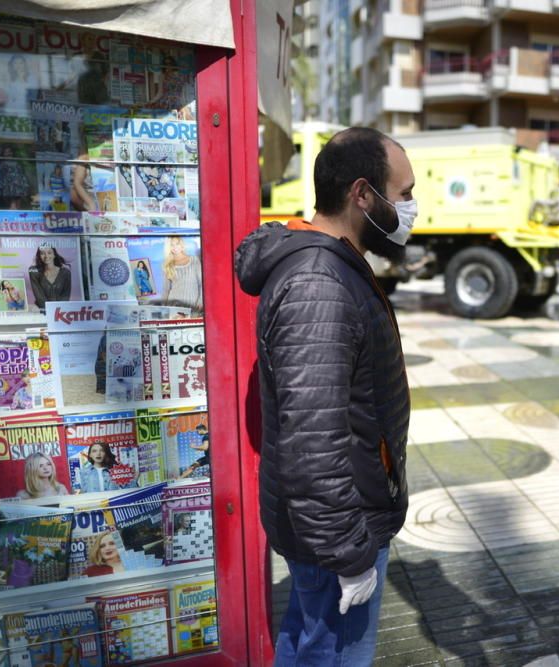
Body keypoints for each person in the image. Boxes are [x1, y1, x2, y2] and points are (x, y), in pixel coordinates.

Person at [235, 127, 414, 666]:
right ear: (363, 194)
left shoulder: (330, 267)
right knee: (332, 652)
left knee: (308, 636)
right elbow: (313, 443)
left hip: (333, 521)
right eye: (403, 194)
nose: (410, 208)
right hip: (340, 529)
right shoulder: (320, 282)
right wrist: (350, 554)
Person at [161, 235, 203, 315]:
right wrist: (163, 307)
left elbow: (201, 283)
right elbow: (166, 289)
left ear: (182, 245)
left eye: (177, 244)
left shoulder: (194, 260)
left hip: (192, 305)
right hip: (173, 306)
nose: (175, 247)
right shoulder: (168, 264)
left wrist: (201, 301)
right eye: (172, 245)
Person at [29, 243, 73, 310]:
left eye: (49, 253)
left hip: (60, 311)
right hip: (42, 310)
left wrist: (58, 312)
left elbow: (65, 296)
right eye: (42, 253)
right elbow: (39, 297)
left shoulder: (65, 273)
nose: (46, 256)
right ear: (39, 256)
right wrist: (50, 312)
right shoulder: (34, 271)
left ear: (54, 255)